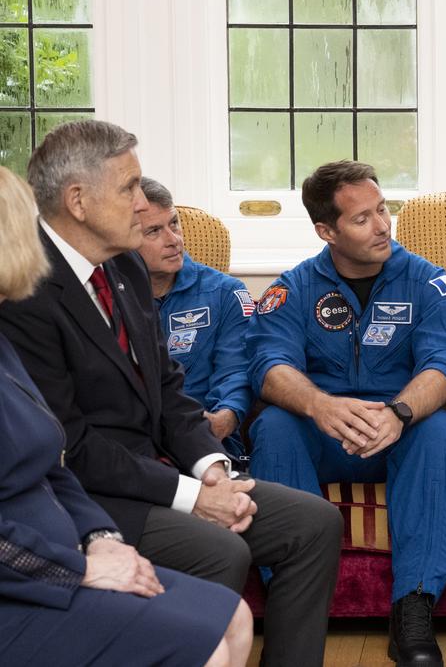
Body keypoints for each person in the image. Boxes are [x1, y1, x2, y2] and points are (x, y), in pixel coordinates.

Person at [0, 120, 344, 667]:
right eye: (129, 187)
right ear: (78, 201)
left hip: (166, 471)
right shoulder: (25, 289)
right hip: (97, 493)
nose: (142, 202)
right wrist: (191, 497)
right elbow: (71, 446)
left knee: (314, 524)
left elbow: (167, 386)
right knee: (220, 549)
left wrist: (211, 468)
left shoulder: (125, 266)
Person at [0, 165, 253, 667]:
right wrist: (79, 568)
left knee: (235, 617)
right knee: (207, 645)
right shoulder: (29, 313)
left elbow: (54, 463)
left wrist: (101, 538)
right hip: (29, 578)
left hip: (66, 543)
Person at [244, 160, 446, 667]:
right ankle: (292, 607)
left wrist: (398, 413)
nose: (383, 226)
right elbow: (267, 365)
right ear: (326, 231)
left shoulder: (429, 283)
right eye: (362, 218)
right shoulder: (294, 288)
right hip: (325, 432)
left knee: (440, 429)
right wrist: (319, 405)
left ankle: (414, 608)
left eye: (383, 210)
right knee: (274, 425)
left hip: (400, 433)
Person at [137, 177, 255, 460]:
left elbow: (237, 370)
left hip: (207, 439)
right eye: (154, 231)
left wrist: (226, 416)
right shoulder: (107, 296)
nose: (174, 240)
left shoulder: (225, 292)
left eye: (174, 223)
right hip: (136, 445)